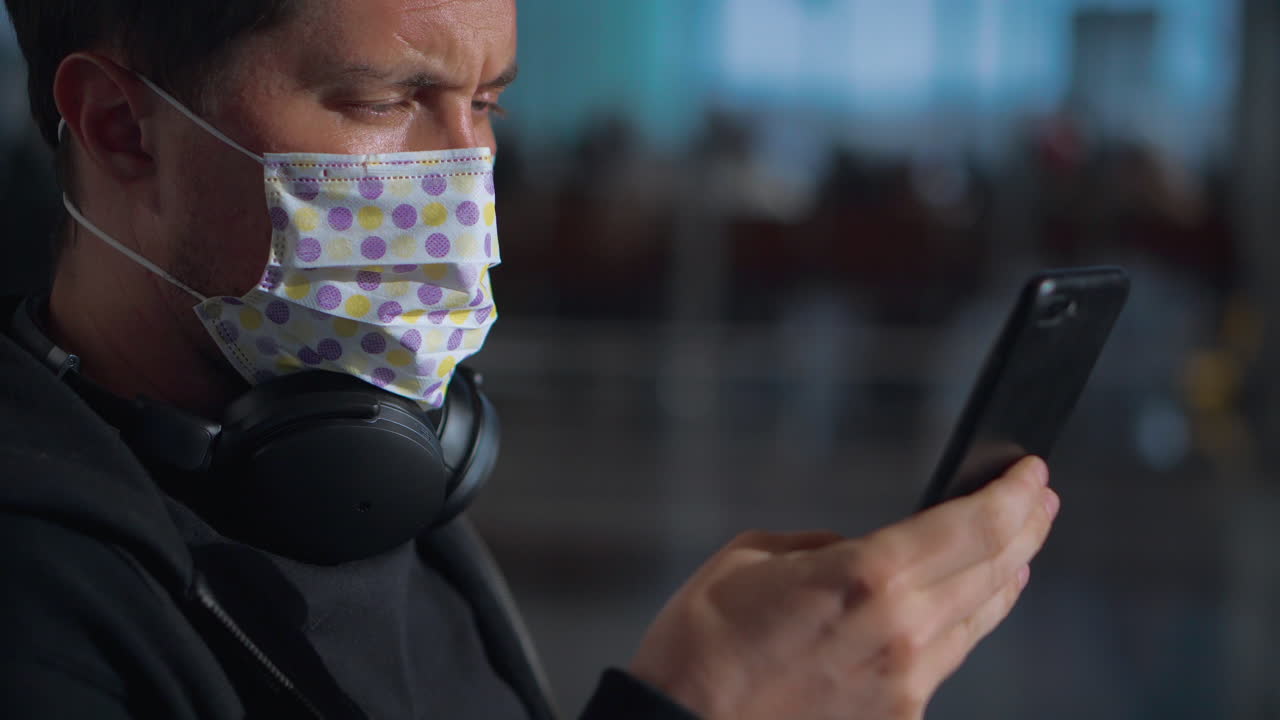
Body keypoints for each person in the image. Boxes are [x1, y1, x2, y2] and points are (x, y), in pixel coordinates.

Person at [0, 1, 1060, 718]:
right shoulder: (39, 592)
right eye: (383, 101)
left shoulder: (374, 480)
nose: (469, 174)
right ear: (121, 129)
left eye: (487, 104)